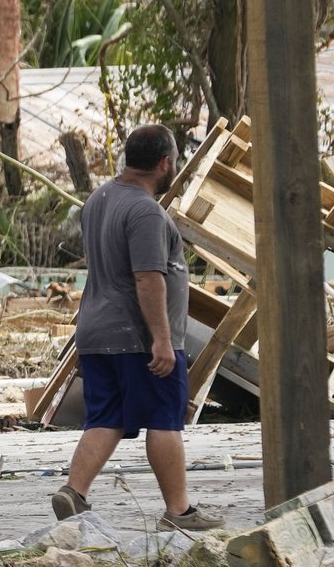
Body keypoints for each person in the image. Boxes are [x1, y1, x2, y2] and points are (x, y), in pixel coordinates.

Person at [51, 125, 224, 532]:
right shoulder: (146, 211)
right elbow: (148, 278)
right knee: (164, 418)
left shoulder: (98, 199)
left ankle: (73, 492)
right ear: (165, 163)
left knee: (106, 418)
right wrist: (162, 341)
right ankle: (178, 512)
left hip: (96, 332)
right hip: (137, 338)